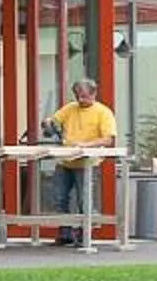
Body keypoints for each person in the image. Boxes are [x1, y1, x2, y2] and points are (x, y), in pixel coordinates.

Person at [47, 76, 119, 248]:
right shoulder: (70, 108)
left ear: (94, 94)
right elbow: (55, 120)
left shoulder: (103, 112)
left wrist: (85, 145)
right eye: (78, 96)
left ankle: (84, 234)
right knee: (59, 199)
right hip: (66, 160)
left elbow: (108, 139)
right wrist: (49, 123)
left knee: (84, 200)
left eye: (85, 96)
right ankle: (65, 234)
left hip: (87, 162)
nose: (81, 100)